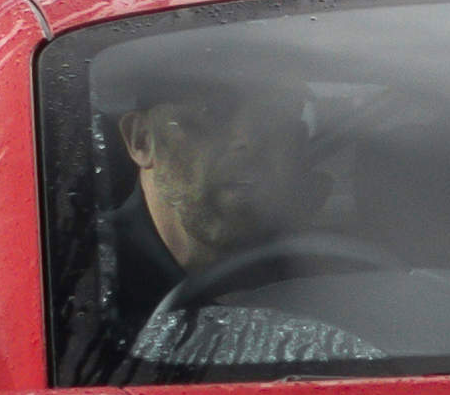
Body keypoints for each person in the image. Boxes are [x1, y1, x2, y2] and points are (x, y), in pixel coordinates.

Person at [116, 71, 379, 370]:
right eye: (212, 112)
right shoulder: (76, 294)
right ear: (141, 140)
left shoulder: (348, 280)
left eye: (275, 115)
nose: (249, 140)